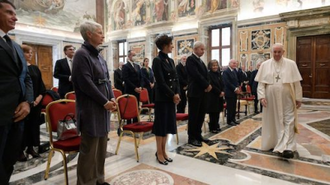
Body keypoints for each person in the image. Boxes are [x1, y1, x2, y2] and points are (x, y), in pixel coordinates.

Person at [72, 21, 116, 185]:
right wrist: (105, 101)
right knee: (89, 150)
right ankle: (86, 182)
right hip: (90, 109)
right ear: (89, 34)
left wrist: (112, 98)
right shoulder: (81, 54)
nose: (103, 35)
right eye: (99, 32)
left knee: (101, 148)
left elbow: (107, 80)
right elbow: (86, 83)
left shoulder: (98, 55)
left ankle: (99, 179)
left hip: (103, 109)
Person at [0, 1, 34, 184]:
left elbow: (25, 77)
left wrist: (27, 101)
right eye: (9, 12)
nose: (15, 17)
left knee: (9, 160)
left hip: (18, 115)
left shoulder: (14, 46)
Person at [255, 43, 302, 159]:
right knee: (273, 121)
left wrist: (298, 98)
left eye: (279, 52)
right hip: (270, 99)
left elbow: (296, 83)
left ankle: (288, 147)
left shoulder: (291, 64)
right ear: (271, 52)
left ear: (283, 52)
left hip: (287, 98)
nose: (276, 54)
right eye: (274, 52)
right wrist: (261, 97)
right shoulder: (265, 65)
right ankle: (274, 143)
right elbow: (261, 84)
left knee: (289, 120)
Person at [152, 34, 180, 165]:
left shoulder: (171, 60)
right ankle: (159, 152)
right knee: (161, 127)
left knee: (168, 125)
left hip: (170, 98)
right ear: (164, 46)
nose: (172, 46)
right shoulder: (157, 61)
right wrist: (172, 94)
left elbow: (176, 79)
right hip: (162, 98)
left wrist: (178, 93)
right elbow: (161, 82)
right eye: (170, 44)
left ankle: (164, 151)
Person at [18, 45, 46, 161]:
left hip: (35, 103)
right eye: (27, 52)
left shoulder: (35, 68)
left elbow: (41, 86)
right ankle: (19, 150)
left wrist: (38, 99)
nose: (30, 55)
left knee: (33, 126)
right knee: (22, 127)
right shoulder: (18, 67)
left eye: (31, 53)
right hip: (22, 102)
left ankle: (31, 148)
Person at [186, 41, 212, 147]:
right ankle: (191, 137)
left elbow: (206, 75)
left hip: (203, 92)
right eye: (202, 49)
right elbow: (196, 75)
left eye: (204, 49)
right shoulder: (190, 59)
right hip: (195, 92)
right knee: (194, 115)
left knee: (201, 115)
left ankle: (198, 135)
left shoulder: (200, 61)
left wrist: (208, 84)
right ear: (195, 49)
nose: (203, 51)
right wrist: (206, 85)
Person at [122, 50, 142, 123]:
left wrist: (140, 87)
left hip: (137, 90)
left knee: (136, 107)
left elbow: (140, 77)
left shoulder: (137, 66)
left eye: (135, 55)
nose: (134, 57)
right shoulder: (125, 66)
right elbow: (125, 79)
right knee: (130, 108)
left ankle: (136, 122)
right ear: (129, 56)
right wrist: (134, 88)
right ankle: (129, 124)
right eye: (133, 55)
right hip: (130, 90)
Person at [206, 60, 224, 133]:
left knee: (218, 111)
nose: (215, 67)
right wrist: (219, 92)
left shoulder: (218, 74)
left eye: (216, 65)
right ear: (210, 66)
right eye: (213, 65)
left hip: (219, 96)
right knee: (213, 112)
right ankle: (212, 127)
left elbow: (222, 83)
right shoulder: (208, 74)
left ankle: (216, 125)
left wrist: (223, 91)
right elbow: (211, 85)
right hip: (212, 96)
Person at [222, 59, 241, 126]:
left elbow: (236, 80)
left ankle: (233, 119)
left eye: (235, 63)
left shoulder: (234, 71)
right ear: (229, 63)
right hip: (229, 92)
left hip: (234, 92)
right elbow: (227, 82)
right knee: (230, 107)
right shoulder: (226, 71)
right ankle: (229, 121)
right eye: (233, 63)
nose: (234, 64)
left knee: (233, 107)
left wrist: (238, 87)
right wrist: (235, 88)